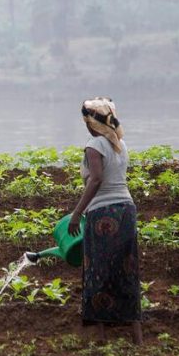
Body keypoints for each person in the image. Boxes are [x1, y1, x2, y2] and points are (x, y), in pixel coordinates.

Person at [67, 97, 143, 343]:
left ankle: (100, 335)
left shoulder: (94, 145)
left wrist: (77, 213)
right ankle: (136, 335)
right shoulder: (121, 144)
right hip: (126, 211)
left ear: (91, 123)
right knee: (126, 269)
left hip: (103, 214)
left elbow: (96, 180)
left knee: (97, 271)